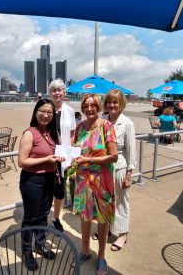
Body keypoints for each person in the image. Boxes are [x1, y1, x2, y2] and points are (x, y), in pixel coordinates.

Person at [73, 93, 118, 275]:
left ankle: (101, 256)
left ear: (98, 107)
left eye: (93, 105)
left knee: (102, 217)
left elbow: (113, 156)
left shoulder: (107, 126)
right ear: (83, 108)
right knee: (84, 215)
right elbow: (75, 149)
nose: (89, 109)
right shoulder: (80, 127)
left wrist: (89, 159)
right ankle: (84, 250)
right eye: (86, 106)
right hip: (83, 179)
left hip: (102, 179)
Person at [18, 99, 65, 271]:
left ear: (53, 115)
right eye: (42, 111)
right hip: (32, 181)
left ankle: (40, 244)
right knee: (30, 218)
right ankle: (27, 251)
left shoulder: (52, 133)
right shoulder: (30, 133)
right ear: (36, 112)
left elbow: (58, 152)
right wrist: (46, 159)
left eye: (49, 112)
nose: (46, 115)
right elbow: (22, 162)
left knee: (43, 214)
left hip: (50, 179)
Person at [102, 89, 136, 251]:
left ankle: (122, 233)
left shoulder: (127, 123)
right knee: (105, 200)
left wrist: (129, 174)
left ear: (121, 104)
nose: (112, 105)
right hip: (102, 168)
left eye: (115, 102)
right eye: (109, 102)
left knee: (121, 201)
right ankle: (107, 228)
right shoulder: (102, 120)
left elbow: (131, 151)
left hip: (119, 168)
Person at [49, 79, 76, 231]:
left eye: (60, 90)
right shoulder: (45, 109)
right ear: (50, 93)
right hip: (47, 157)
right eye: (54, 90)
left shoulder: (70, 111)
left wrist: (70, 154)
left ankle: (55, 217)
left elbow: (72, 133)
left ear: (64, 92)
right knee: (46, 188)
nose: (57, 93)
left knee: (59, 191)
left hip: (63, 157)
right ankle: (43, 215)